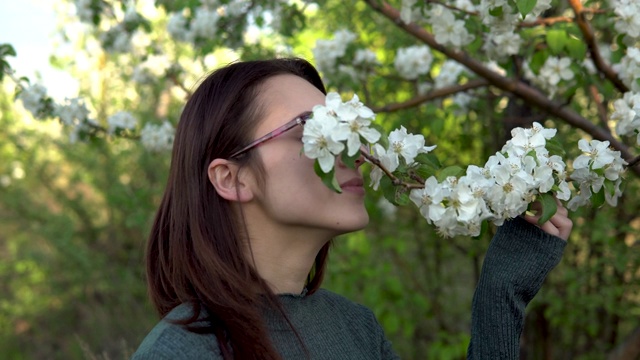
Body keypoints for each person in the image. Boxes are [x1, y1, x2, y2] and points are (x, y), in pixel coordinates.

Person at [131, 58, 572, 359]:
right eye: (313, 128)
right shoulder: (182, 350)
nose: (356, 150)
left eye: (348, 129)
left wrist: (501, 291)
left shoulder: (355, 329)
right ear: (232, 178)